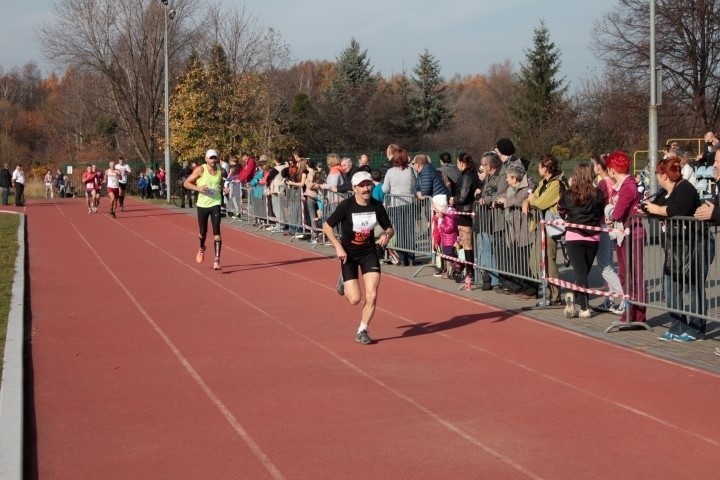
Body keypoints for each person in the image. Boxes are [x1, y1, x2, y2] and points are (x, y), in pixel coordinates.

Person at [323, 171, 394, 345]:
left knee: (372, 295)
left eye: (368, 184)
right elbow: (327, 226)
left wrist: (387, 234)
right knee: (354, 299)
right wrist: (338, 247)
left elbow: (389, 227)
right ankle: (343, 279)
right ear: (354, 188)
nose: (366, 188)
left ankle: (362, 330)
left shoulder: (376, 206)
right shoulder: (346, 206)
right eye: (362, 185)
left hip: (369, 252)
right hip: (349, 254)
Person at [644, 157, 707, 342]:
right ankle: (677, 325)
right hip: (675, 247)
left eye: (656, 173)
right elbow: (655, 208)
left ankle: (697, 328)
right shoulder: (665, 192)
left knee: (694, 287)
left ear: (664, 174)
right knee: (670, 286)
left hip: (695, 244)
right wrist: (650, 208)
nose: (655, 177)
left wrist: (656, 209)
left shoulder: (685, 188)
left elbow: (678, 210)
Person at [558, 163, 605, 318]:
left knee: (581, 272)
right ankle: (584, 306)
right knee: (583, 271)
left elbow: (560, 209)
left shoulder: (568, 194)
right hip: (593, 236)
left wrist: (567, 218)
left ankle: (575, 296)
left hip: (574, 236)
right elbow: (600, 212)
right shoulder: (598, 194)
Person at [605, 151, 647, 322]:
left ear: (612, 170)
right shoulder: (625, 186)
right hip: (625, 235)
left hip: (631, 235)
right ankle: (630, 312)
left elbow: (617, 213)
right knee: (626, 275)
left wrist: (610, 214)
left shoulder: (627, 187)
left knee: (633, 276)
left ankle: (637, 314)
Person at [522, 154, 567, 306]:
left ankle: (555, 295)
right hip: (538, 226)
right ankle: (547, 291)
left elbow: (540, 202)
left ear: (547, 168)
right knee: (534, 263)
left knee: (549, 260)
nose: (538, 168)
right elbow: (532, 197)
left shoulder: (556, 184)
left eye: (540, 166)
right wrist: (526, 201)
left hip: (550, 227)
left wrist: (530, 200)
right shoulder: (543, 182)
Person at [183, 149, 228, 271]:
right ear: (206, 159)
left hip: (215, 202)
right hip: (202, 204)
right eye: (211, 158)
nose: (213, 160)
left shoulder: (220, 170)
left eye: (215, 158)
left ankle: (217, 260)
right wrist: (199, 188)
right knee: (203, 232)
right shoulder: (200, 169)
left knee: (216, 231)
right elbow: (186, 183)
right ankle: (202, 248)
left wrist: (223, 188)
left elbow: (219, 183)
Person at [592, 154, 625, 313]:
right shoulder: (610, 182)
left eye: (594, 164)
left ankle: (624, 297)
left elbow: (600, 204)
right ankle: (610, 299)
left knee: (605, 265)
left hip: (604, 226)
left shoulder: (604, 183)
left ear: (599, 166)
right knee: (608, 264)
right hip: (609, 226)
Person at [382, 148, 417, 266]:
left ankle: (402, 258)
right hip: (409, 203)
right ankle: (411, 258)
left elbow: (385, 189)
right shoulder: (411, 171)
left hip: (395, 204)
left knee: (400, 231)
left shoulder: (390, 172)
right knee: (410, 231)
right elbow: (414, 186)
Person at [450, 152, 480, 284]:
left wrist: (454, 199)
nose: (457, 166)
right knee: (466, 243)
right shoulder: (470, 174)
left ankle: (470, 272)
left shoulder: (467, 177)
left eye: (458, 163)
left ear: (462, 163)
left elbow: (462, 197)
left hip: (465, 212)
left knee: (467, 243)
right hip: (466, 211)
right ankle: (469, 270)